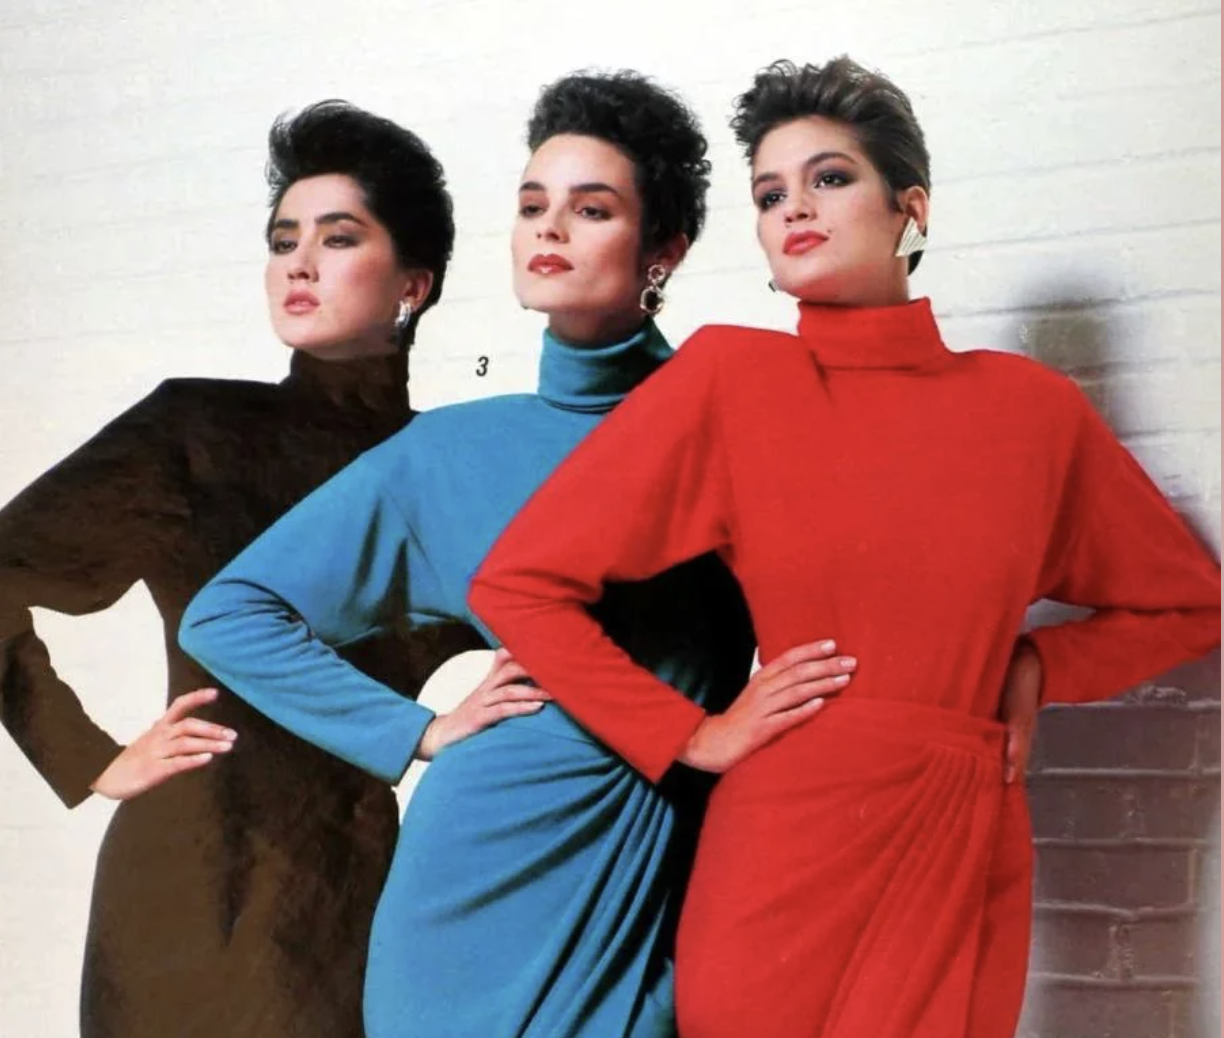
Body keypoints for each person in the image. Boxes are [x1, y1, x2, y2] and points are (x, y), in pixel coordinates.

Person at [468, 57, 1223, 1038]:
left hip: (960, 834)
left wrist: (1040, 663)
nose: (794, 208)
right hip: (780, 852)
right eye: (769, 194)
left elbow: (1190, 601)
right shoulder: (733, 379)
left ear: (911, 208)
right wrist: (690, 735)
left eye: (828, 178)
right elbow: (520, 583)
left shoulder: (1032, 412)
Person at [180, 70, 849, 1038]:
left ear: (663, 250)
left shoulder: (737, 407)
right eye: (533, 206)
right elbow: (229, 613)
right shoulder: (448, 451)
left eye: (591, 209)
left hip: (658, 862)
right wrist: (415, 733)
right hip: (474, 876)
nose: (550, 229)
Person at [0, 100, 492, 1038]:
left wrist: (453, 736)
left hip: (356, 893)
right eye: (282, 240)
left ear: (413, 284)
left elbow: (578, 638)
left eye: (337, 238)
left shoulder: (451, 464)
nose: (298, 264)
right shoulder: (195, 431)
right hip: (186, 883)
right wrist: (86, 756)